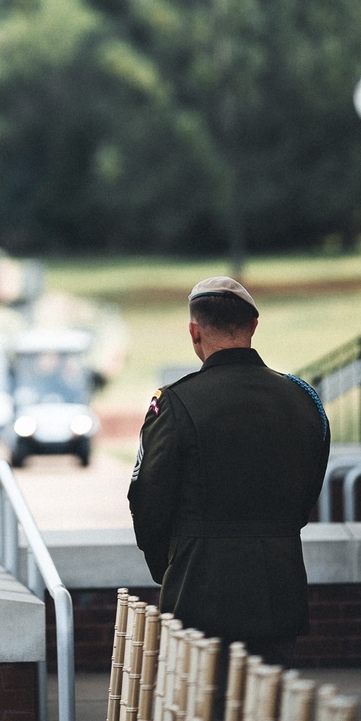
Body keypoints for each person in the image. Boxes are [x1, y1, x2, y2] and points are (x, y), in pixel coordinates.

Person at [128, 275, 330, 662]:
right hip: (279, 590)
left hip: (198, 592)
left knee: (201, 717)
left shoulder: (175, 402)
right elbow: (308, 494)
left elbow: (147, 502)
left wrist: (171, 567)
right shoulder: (303, 401)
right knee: (268, 713)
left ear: (194, 331)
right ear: (254, 326)